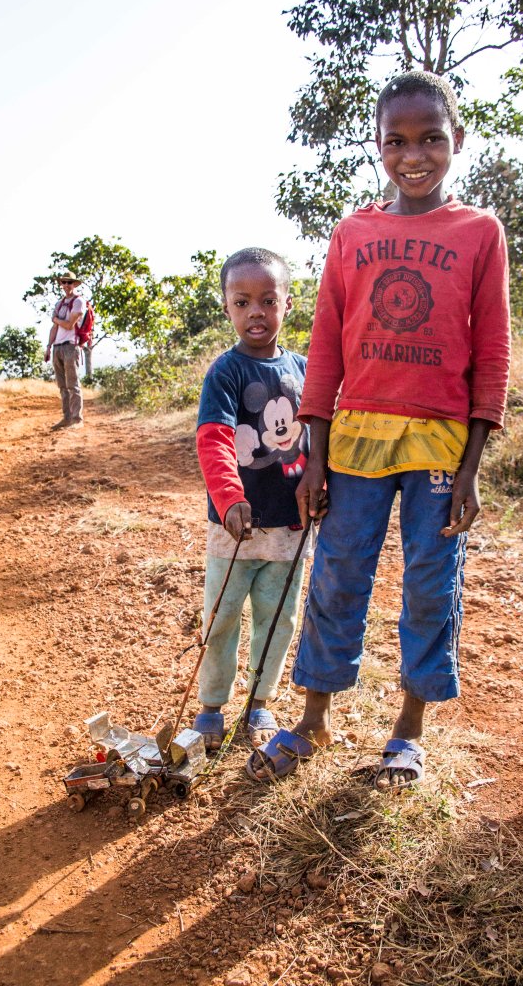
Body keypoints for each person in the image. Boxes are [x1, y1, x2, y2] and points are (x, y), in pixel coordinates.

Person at [249, 71, 511, 786]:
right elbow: (328, 343)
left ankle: (407, 730)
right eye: (396, 140)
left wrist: (472, 466)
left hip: (439, 444)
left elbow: (491, 349)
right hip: (357, 438)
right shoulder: (353, 232)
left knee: (431, 580)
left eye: (430, 137)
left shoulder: (478, 233)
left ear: (455, 141)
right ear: (377, 146)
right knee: (337, 575)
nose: (413, 154)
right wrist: (314, 450)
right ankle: (313, 721)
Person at [193, 247, 314, 756]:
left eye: (268, 300)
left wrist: (323, 487)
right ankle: (212, 705)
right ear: (226, 307)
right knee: (221, 617)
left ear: (289, 303)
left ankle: (261, 700)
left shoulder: (306, 369)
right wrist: (228, 496)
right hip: (234, 526)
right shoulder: (225, 372)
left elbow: (319, 438)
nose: (256, 312)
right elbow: (214, 437)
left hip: (291, 525)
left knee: (278, 616)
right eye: (242, 302)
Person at [45, 270, 86, 429]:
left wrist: (55, 319)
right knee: (62, 385)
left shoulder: (78, 302)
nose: (67, 285)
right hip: (57, 347)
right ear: (61, 284)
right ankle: (67, 417)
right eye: (64, 282)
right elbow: (55, 328)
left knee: (73, 384)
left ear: (75, 284)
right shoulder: (60, 303)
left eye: (70, 282)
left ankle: (77, 419)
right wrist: (48, 346)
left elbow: (69, 324)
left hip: (71, 345)